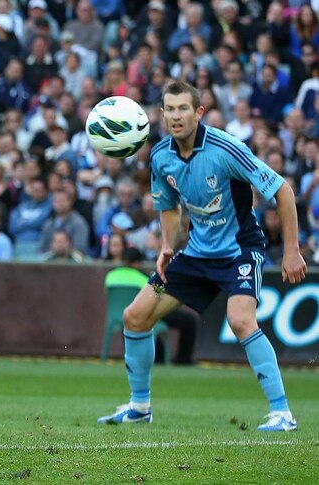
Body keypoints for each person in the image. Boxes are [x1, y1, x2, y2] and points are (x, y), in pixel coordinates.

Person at [97, 80, 307, 431]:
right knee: (135, 317)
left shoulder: (227, 149)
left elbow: (282, 190)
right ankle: (139, 407)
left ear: (199, 112)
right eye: (169, 109)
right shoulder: (161, 156)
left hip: (239, 250)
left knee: (240, 320)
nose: (176, 116)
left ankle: (282, 413)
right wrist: (167, 245)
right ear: (161, 114)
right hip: (195, 254)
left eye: (183, 108)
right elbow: (167, 205)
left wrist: (291, 250)